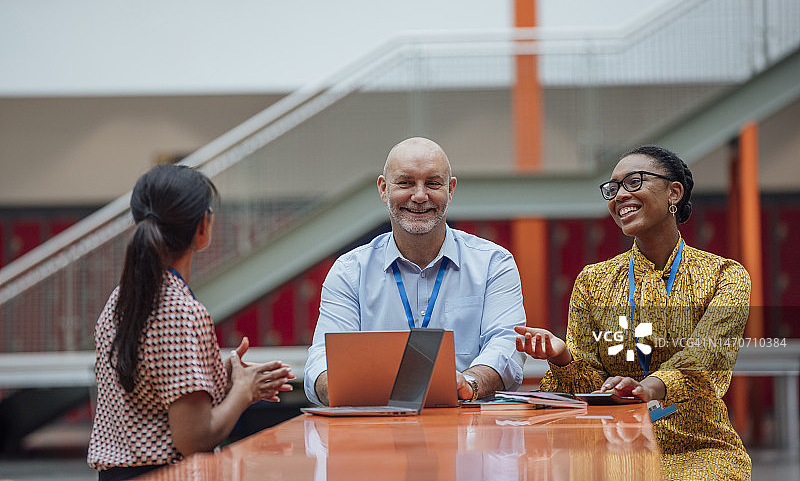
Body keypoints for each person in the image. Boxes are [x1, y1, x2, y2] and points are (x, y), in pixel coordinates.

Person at [515, 145, 751, 480]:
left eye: (634, 182)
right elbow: (589, 386)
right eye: (613, 189)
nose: (619, 196)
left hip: (698, 446)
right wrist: (563, 357)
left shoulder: (725, 275)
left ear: (674, 192)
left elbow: (704, 359)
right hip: (612, 443)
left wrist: (649, 387)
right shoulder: (593, 281)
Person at [88, 164, 295, 480]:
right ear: (203, 226)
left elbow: (147, 390)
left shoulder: (120, 298)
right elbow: (194, 440)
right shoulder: (181, 311)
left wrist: (218, 377)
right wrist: (243, 391)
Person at [304, 137, 526, 405]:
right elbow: (322, 361)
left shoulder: (494, 264)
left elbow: (506, 345)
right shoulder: (349, 272)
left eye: (433, 183)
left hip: (470, 429)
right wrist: (342, 385)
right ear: (384, 189)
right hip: (374, 431)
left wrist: (468, 383)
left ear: (450, 189)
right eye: (406, 182)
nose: (420, 196)